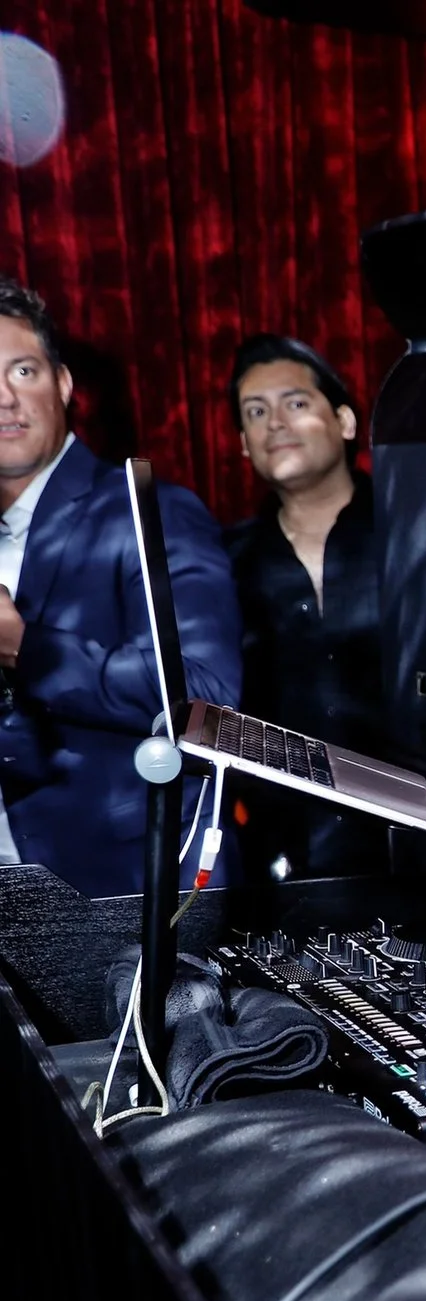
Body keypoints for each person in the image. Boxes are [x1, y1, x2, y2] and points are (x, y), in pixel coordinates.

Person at [0, 276, 242, 898]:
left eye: (22, 371)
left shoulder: (149, 509)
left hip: (123, 886)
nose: (3, 398)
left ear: (63, 384)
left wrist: (28, 648)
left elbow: (208, 697)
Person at [224, 333, 389, 879]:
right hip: (280, 855)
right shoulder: (224, 560)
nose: (275, 423)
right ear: (244, 444)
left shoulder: (414, 531)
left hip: (421, 844)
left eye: (295, 403)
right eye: (256, 412)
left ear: (345, 421)